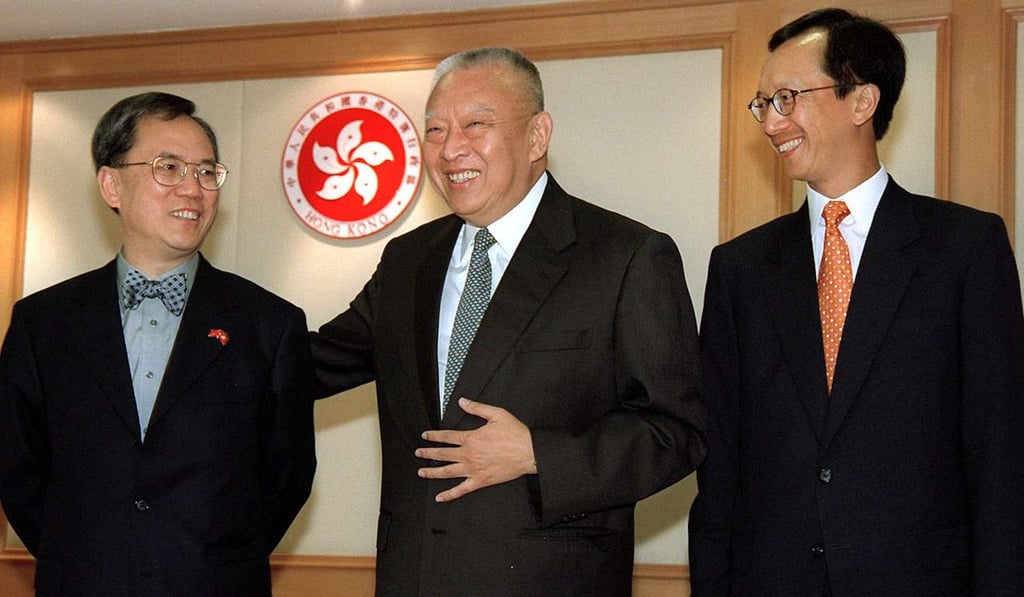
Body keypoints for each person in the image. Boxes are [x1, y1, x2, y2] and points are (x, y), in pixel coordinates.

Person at [311, 47, 706, 596]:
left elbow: (677, 431)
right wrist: (205, 328)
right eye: (435, 130)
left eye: (476, 124)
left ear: (537, 136)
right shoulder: (408, 260)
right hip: (413, 577)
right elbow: (312, 364)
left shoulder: (625, 256)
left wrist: (539, 454)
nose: (451, 148)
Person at [688, 8, 1024, 596]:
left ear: (862, 101)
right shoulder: (740, 268)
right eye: (763, 104)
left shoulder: (965, 249)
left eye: (787, 98)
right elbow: (721, 470)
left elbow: (1001, 456)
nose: (771, 122)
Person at [0, 92, 316, 597]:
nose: (192, 188)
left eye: (206, 172)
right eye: (168, 168)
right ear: (112, 185)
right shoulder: (43, 323)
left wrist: (218, 559)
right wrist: (82, 555)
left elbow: (287, 476)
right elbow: (17, 469)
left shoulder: (269, 325)